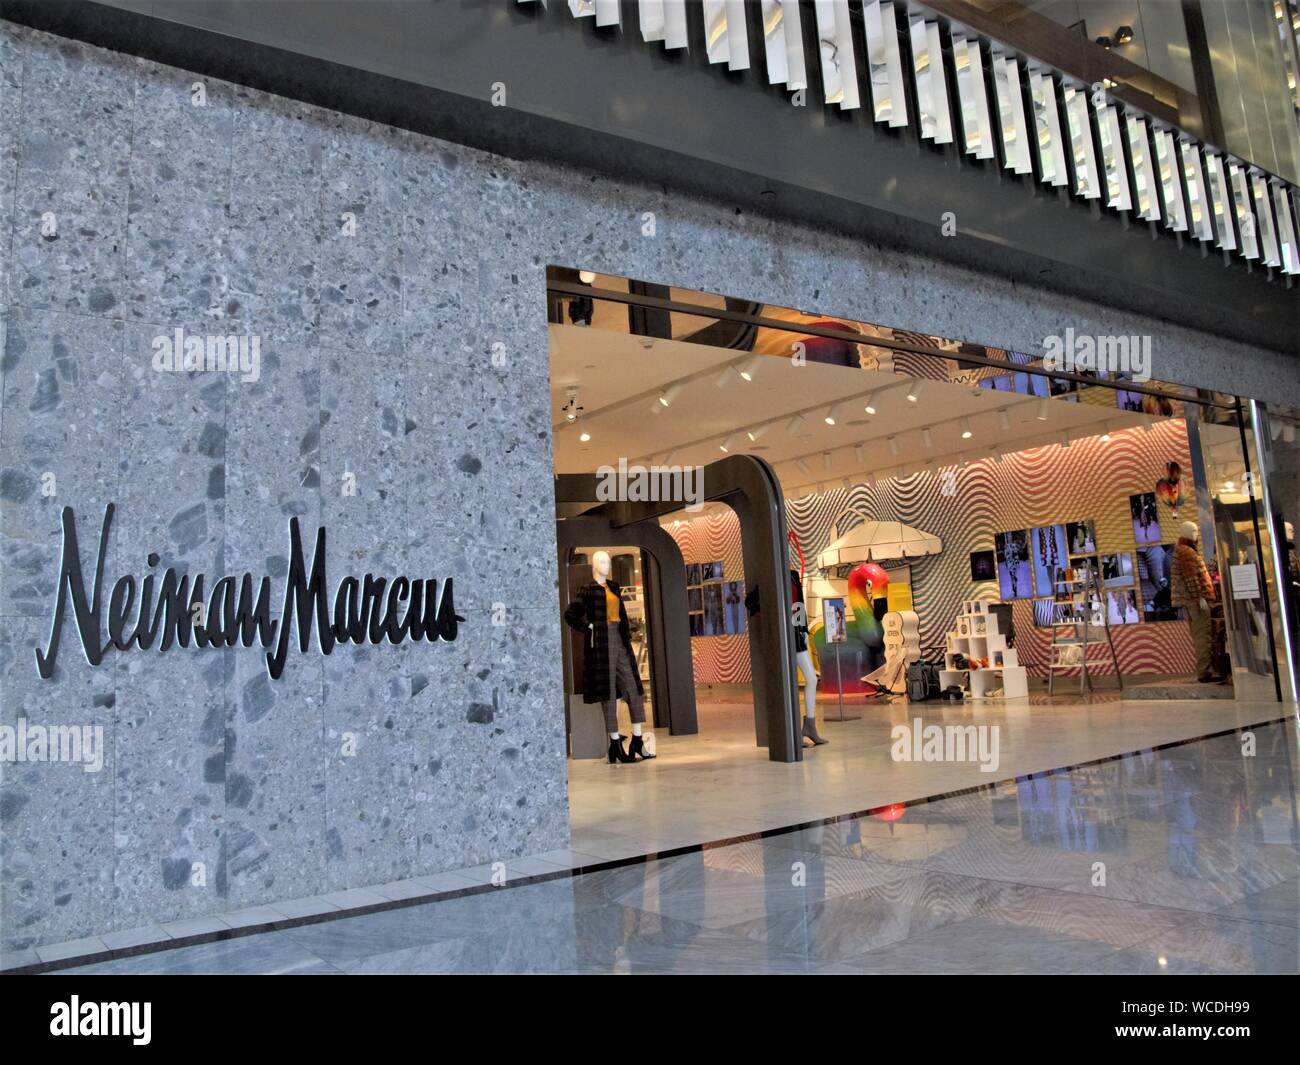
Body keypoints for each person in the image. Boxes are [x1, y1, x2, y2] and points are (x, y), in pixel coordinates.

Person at [1170, 521, 1221, 682]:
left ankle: (1206, 670)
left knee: (1201, 635)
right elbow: (1191, 578)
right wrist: (1199, 597)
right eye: (1192, 530)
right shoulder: (1186, 552)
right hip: (1196, 602)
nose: (1195, 533)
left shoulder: (1183, 551)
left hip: (1193, 601)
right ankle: (1204, 672)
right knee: (1203, 636)